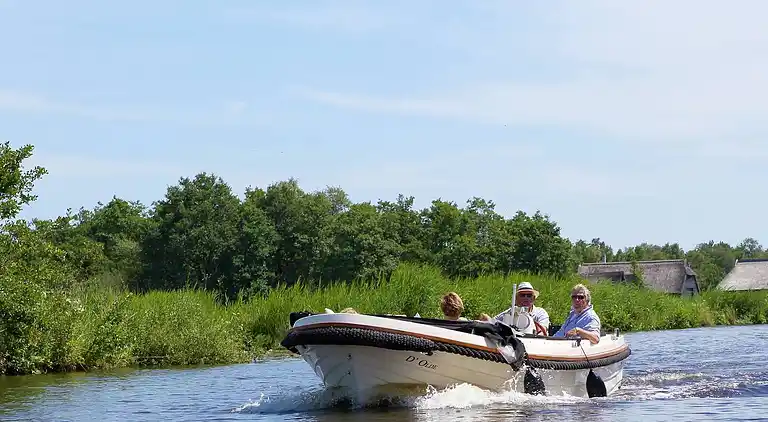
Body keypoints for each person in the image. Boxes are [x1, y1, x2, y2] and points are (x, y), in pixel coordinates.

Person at [479, 282, 550, 335]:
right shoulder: (510, 312)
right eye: (522, 295)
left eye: (529, 295)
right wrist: (485, 319)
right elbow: (493, 321)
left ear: (533, 298)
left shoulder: (540, 312)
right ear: (516, 299)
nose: (526, 298)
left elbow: (542, 331)